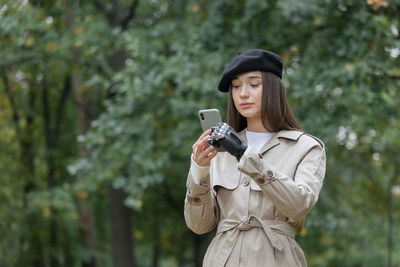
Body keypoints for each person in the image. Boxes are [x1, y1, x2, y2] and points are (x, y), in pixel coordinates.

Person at [184, 49, 326, 267]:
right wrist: (199, 171)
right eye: (236, 86)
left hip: (276, 258)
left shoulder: (305, 147)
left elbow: (298, 205)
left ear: (272, 89)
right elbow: (199, 225)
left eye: (253, 84)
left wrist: (244, 154)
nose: (243, 94)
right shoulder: (220, 151)